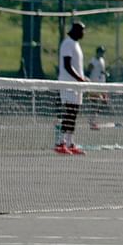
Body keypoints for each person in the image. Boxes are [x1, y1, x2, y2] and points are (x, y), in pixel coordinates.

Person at [55, 20, 88, 156]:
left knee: (74, 113)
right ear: (75, 31)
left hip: (76, 86)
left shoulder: (76, 45)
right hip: (68, 84)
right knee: (69, 112)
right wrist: (78, 78)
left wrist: (83, 78)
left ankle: (70, 143)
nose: (83, 33)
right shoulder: (67, 43)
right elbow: (67, 65)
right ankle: (60, 143)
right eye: (82, 30)